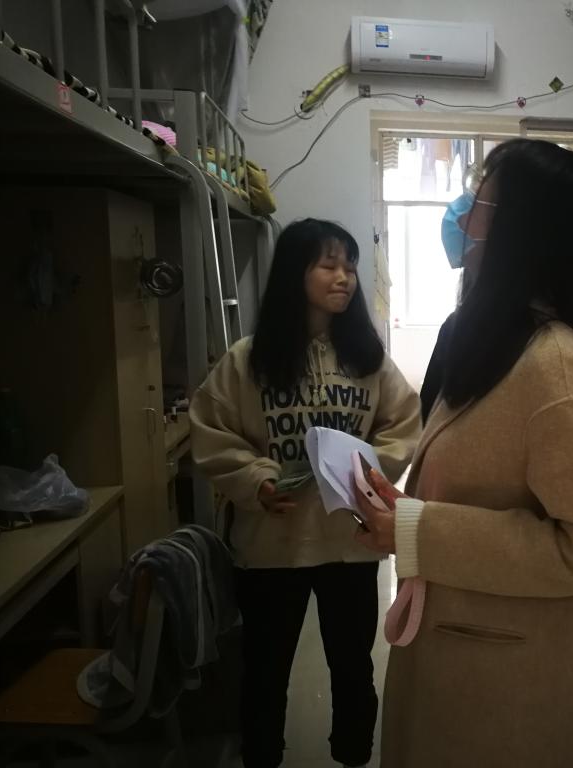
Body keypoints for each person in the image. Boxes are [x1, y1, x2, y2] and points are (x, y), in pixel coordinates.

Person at [353, 139, 573, 768]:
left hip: (513, 686)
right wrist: (404, 508)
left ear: (520, 231)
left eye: (479, 203)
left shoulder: (555, 373)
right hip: (471, 645)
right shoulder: (497, 345)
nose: (464, 219)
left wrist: (418, 529)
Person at [190, 219, 421, 768]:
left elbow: (403, 422)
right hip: (271, 546)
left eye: (350, 267)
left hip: (348, 542)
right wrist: (256, 479)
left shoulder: (367, 358)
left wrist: (364, 472)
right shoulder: (247, 360)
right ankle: (262, 757)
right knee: (264, 671)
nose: (344, 278)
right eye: (329, 264)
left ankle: (353, 756)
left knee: (353, 667)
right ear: (296, 272)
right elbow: (211, 430)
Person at [419, 164, 484, 423]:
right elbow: (427, 418)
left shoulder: (549, 349)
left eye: (480, 211)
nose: (463, 222)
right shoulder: (457, 329)